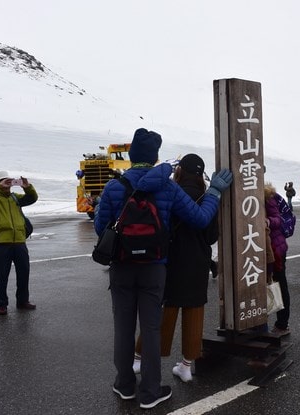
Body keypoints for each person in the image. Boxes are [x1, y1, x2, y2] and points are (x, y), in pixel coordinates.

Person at [94, 129, 232, 409]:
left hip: (121, 267)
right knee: (152, 327)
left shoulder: (113, 187)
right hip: (154, 268)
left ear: (131, 157)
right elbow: (200, 218)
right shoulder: (167, 187)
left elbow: (100, 228)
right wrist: (215, 190)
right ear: (155, 157)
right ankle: (150, 392)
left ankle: (124, 385)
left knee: (123, 328)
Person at [134, 154, 219, 384]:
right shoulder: (208, 197)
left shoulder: (171, 191)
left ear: (180, 171)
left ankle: (139, 358)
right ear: (201, 174)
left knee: (164, 311)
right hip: (198, 263)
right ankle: (186, 366)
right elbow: (212, 236)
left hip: (171, 261)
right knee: (194, 311)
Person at [0, 172, 38, 316]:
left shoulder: (14, 198)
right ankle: (2, 304)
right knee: (1, 275)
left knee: (24, 273)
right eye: (4, 182)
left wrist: (27, 187)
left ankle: (23, 301)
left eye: (9, 182)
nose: (7, 184)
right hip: (1, 242)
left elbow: (32, 198)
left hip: (19, 241)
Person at [264, 183, 292, 335]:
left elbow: (278, 218)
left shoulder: (267, 194)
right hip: (256, 248)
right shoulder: (242, 192)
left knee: (279, 284)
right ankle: (257, 323)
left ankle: (282, 324)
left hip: (274, 248)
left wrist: (267, 221)